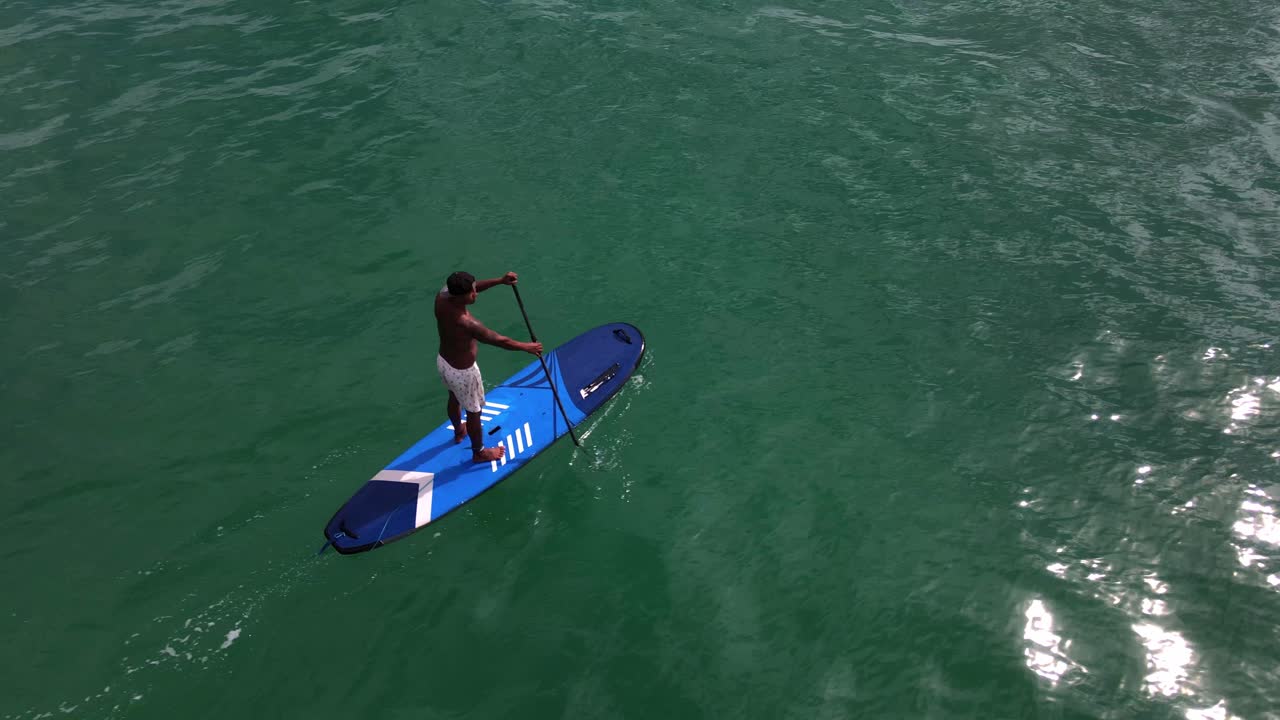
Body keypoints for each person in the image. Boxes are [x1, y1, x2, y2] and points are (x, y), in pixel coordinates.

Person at [435, 270, 542, 462]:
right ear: (459, 296)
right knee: (474, 413)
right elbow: (500, 340)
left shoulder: (442, 297)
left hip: (444, 362)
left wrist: (500, 281)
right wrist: (526, 347)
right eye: (471, 293)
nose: (475, 294)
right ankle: (479, 452)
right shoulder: (466, 323)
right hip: (464, 373)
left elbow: (473, 287)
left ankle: (459, 430)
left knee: (454, 397)